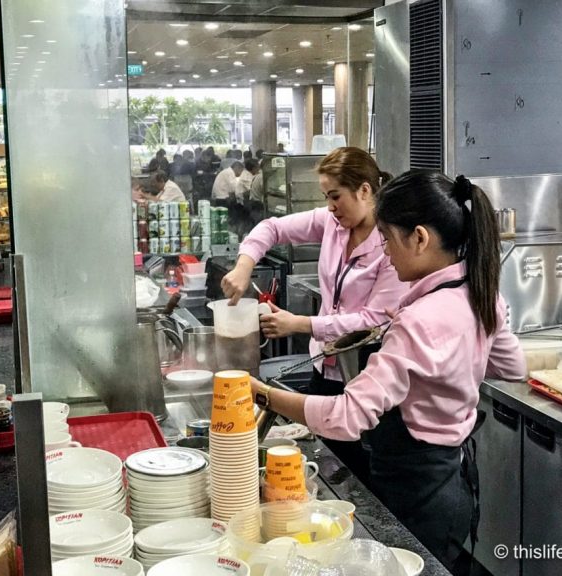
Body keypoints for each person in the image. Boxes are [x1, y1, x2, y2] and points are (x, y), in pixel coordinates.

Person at [248, 170, 526, 573]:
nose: (384, 252)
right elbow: (511, 365)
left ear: (419, 238)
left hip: (415, 495)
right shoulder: (481, 293)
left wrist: (263, 395)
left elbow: (348, 417)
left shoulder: (419, 320)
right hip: (452, 483)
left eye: (387, 238)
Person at [222, 147, 408, 484]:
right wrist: (243, 266)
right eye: (326, 197)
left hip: (367, 374)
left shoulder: (391, 243)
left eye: (336, 196)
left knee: (365, 473)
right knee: (329, 463)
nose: (330, 206)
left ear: (365, 190)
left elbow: (374, 320)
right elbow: (271, 228)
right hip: (327, 365)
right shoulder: (331, 223)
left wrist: (300, 325)